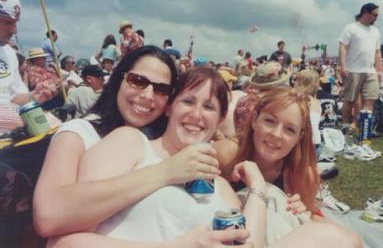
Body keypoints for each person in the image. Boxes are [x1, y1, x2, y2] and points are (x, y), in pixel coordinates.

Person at [33, 46, 248, 247]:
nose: (147, 95)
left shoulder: (161, 144)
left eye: (161, 89)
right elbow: (51, 219)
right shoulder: (82, 133)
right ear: (119, 80)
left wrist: (257, 190)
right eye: (137, 81)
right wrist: (168, 171)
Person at [215, 87, 362, 247]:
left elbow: (309, 217)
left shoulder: (302, 174)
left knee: (351, 240)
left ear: (299, 137)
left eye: (289, 129)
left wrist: (302, 211)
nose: (277, 134)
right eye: (270, 121)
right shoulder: (226, 154)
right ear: (255, 120)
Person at [338, 2, 383, 137]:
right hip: (353, 69)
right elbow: (343, 47)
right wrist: (343, 65)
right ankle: (345, 125)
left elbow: (377, 52)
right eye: (375, 15)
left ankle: (361, 127)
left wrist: (379, 70)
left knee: (370, 100)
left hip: (370, 71)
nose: (376, 18)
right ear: (365, 12)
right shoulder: (351, 28)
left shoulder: (375, 31)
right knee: (350, 100)